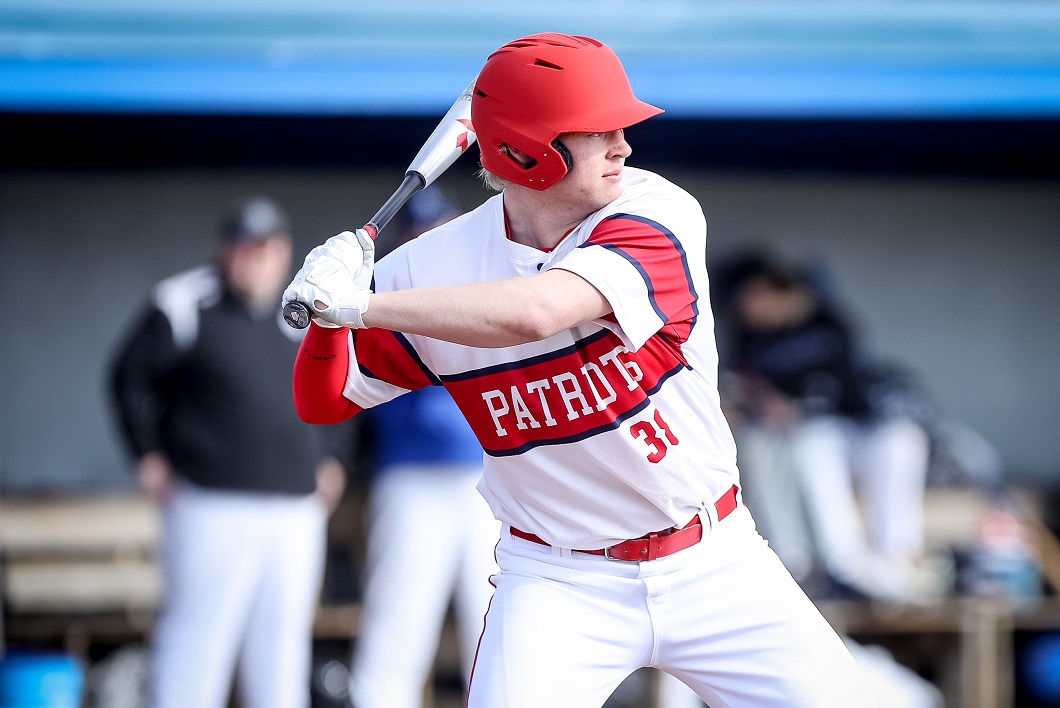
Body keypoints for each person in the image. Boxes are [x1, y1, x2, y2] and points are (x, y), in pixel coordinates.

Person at [283, 33, 873, 707]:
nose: (624, 144)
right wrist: (328, 323)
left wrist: (361, 304)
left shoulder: (656, 211)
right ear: (528, 153)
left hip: (713, 559)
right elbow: (322, 401)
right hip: (557, 583)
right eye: (598, 131)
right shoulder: (430, 269)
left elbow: (538, 309)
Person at [109, 196, 348, 708]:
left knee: (280, 652)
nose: (256, 258)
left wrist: (331, 459)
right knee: (197, 645)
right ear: (225, 250)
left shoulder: (301, 310)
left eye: (267, 248)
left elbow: (339, 385)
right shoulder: (183, 302)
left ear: (283, 252)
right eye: (246, 247)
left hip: (293, 509)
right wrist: (147, 455)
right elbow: (127, 376)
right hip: (209, 503)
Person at [345, 188, 499, 708]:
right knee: (398, 621)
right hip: (410, 475)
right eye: (421, 229)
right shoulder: (385, 289)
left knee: (497, 621)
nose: (431, 236)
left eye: (441, 226)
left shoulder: (489, 283)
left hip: (489, 480)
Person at [718, 251, 937, 602]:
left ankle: (898, 558)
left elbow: (848, 388)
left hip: (856, 429)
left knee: (902, 440)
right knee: (812, 441)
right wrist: (765, 401)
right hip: (811, 440)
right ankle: (846, 564)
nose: (750, 309)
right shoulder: (750, 340)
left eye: (756, 297)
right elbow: (740, 391)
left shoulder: (826, 319)